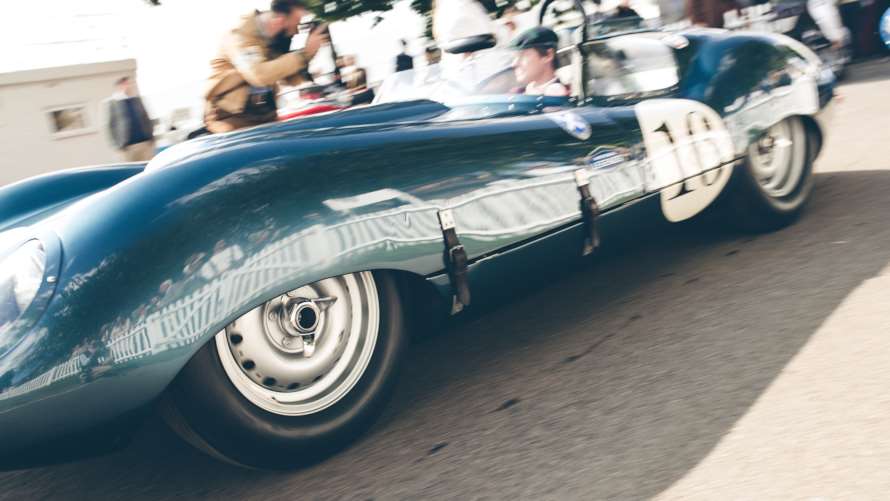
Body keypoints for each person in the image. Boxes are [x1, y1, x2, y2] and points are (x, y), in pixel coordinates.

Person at [204, 0, 329, 133]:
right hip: (231, 119)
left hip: (265, 116)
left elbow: (291, 80)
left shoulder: (273, 41)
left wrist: (310, 52)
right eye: (296, 23)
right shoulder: (239, 36)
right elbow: (259, 76)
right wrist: (303, 55)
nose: (297, 31)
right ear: (280, 20)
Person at [105, 76, 155, 162]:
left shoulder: (137, 100)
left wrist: (151, 137)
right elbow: (110, 126)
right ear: (119, 86)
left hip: (145, 143)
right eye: (125, 84)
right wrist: (117, 145)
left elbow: (146, 118)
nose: (129, 86)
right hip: (127, 147)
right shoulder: (113, 103)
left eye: (130, 84)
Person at [509, 27, 570, 96]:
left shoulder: (566, 96)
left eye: (523, 55)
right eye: (515, 57)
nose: (514, 64)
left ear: (548, 55)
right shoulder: (515, 94)